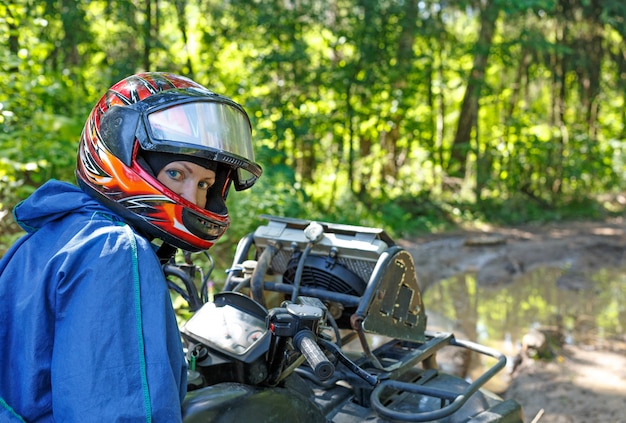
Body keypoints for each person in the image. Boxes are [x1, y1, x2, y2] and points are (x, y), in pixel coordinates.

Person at [0, 72, 262, 421]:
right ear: (125, 154)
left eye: (204, 184)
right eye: (176, 174)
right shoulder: (116, 251)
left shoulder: (50, 234)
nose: (191, 196)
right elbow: (116, 411)